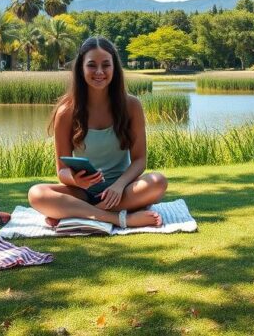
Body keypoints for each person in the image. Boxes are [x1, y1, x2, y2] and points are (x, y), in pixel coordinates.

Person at [28, 36, 168, 229]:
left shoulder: (132, 105)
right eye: (92, 65)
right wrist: (75, 179)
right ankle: (119, 218)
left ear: (114, 68)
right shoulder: (66, 112)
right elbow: (62, 170)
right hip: (82, 192)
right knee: (36, 194)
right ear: (81, 68)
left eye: (106, 65)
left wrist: (118, 186)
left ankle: (77, 213)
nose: (99, 72)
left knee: (158, 182)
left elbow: (139, 160)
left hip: (123, 189)